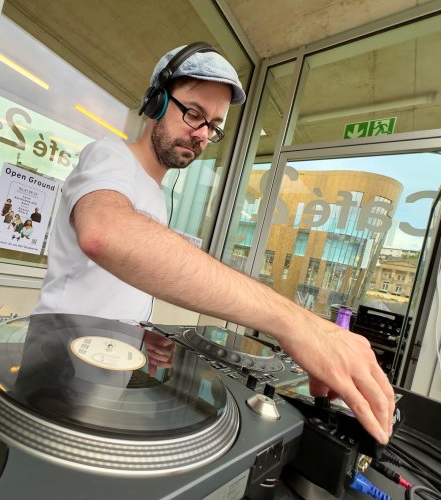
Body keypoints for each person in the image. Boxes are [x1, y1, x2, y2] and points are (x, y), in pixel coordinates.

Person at [32, 42, 394, 445]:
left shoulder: (154, 195)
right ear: (155, 101)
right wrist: (295, 323)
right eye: (193, 113)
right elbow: (105, 233)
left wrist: (139, 333)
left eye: (214, 126)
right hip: (60, 367)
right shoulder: (109, 156)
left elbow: (116, 279)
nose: (202, 134)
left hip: (108, 365)